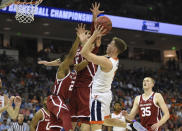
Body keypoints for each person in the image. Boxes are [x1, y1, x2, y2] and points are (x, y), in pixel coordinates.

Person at [80, 25, 128, 131]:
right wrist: (90, 41)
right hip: (104, 94)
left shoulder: (107, 62)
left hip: (99, 97)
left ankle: (126, 124)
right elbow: (89, 53)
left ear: (114, 48)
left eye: (110, 43)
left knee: (96, 127)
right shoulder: (111, 59)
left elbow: (84, 53)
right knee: (103, 121)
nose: (108, 44)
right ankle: (126, 125)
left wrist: (94, 35)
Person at [44, 24, 90, 131]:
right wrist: (78, 39)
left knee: (55, 127)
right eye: (70, 58)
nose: (73, 59)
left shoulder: (74, 69)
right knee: (65, 114)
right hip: (55, 98)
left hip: (63, 101)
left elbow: (87, 61)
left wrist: (90, 43)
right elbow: (71, 54)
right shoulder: (63, 67)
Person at [70, 2, 104, 131]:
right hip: (78, 88)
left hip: (81, 88)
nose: (88, 37)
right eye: (87, 36)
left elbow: (94, 33)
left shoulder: (90, 51)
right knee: (77, 120)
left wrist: (94, 18)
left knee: (79, 120)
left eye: (90, 37)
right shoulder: (80, 50)